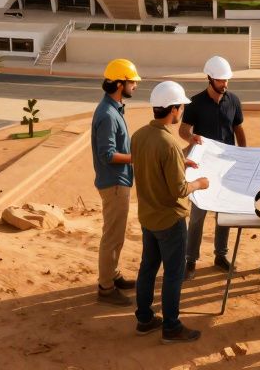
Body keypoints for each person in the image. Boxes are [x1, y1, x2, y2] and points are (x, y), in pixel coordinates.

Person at [132, 81, 210, 343]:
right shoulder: (168, 143)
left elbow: (154, 165)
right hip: (170, 220)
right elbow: (179, 188)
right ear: (173, 109)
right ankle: (171, 327)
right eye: (180, 108)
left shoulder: (140, 135)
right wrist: (200, 183)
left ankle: (144, 319)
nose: (181, 113)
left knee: (148, 268)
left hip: (148, 217)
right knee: (173, 275)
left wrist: (181, 158)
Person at [181, 55, 246, 277]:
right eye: (220, 80)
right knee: (198, 214)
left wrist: (243, 154)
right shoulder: (195, 102)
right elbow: (183, 130)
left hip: (226, 167)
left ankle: (221, 255)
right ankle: (190, 259)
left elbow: (238, 130)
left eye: (226, 80)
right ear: (209, 79)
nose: (224, 84)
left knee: (224, 213)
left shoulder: (234, 101)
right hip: (202, 166)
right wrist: (192, 138)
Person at [92, 58, 143, 306]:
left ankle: (112, 275)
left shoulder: (115, 108)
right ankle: (106, 287)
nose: (135, 85)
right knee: (112, 237)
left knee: (116, 235)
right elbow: (107, 154)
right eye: (132, 81)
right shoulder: (108, 115)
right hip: (113, 183)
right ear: (120, 83)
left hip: (119, 180)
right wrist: (137, 157)